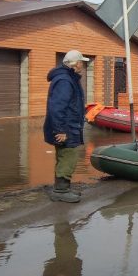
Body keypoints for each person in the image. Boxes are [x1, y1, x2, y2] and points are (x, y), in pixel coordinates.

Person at [43, 50, 89, 203]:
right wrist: (60, 130)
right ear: (75, 64)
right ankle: (61, 191)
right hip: (66, 128)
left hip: (70, 125)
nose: (83, 65)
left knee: (64, 157)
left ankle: (64, 188)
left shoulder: (68, 78)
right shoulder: (65, 80)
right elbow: (57, 107)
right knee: (68, 157)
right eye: (81, 62)